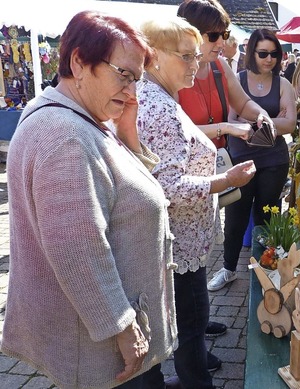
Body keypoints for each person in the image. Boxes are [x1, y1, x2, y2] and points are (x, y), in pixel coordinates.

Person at [1, 11, 175, 389]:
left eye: (137, 80)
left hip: (98, 341)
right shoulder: (68, 136)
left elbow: (117, 185)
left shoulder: (73, 116)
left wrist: (125, 132)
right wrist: (123, 327)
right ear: (79, 62)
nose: (132, 92)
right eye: (123, 74)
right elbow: (77, 247)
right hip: (106, 354)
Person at [136, 17, 256, 388]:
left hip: (181, 236)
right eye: (186, 57)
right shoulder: (158, 106)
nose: (196, 64)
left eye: (196, 56)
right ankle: (195, 382)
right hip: (179, 239)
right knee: (190, 321)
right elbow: (167, 185)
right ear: (154, 57)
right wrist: (226, 180)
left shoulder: (156, 96)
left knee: (188, 317)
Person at [209, 28, 296, 292]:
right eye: (263, 53)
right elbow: (232, 121)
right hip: (241, 158)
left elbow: (290, 123)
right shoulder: (239, 80)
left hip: (273, 159)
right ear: (252, 54)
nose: (269, 59)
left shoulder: (284, 84)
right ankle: (228, 269)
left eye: (274, 54)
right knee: (236, 215)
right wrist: (271, 122)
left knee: (266, 215)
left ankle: (264, 268)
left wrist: (251, 124)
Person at [177, 0, 271, 150]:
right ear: (190, 34)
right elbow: (176, 131)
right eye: (214, 36)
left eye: (224, 34)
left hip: (216, 163)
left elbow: (244, 104)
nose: (221, 43)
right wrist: (225, 128)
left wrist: (261, 114)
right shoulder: (172, 72)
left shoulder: (219, 65)